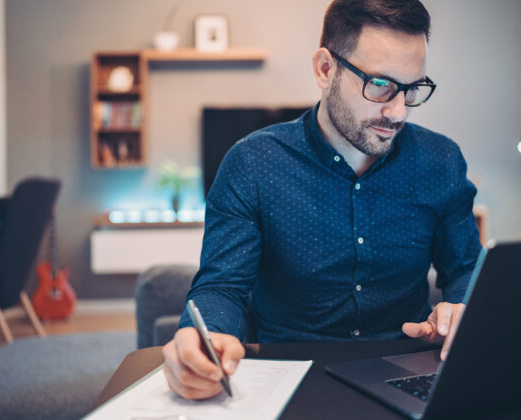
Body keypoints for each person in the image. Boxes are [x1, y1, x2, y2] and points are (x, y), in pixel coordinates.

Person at [163, 0, 482, 400]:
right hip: (287, 375)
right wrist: (205, 338)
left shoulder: (441, 161)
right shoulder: (252, 163)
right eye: (380, 84)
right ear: (325, 69)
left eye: (412, 88)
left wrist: (463, 306)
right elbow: (222, 286)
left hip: (405, 375)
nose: (398, 112)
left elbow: (467, 268)